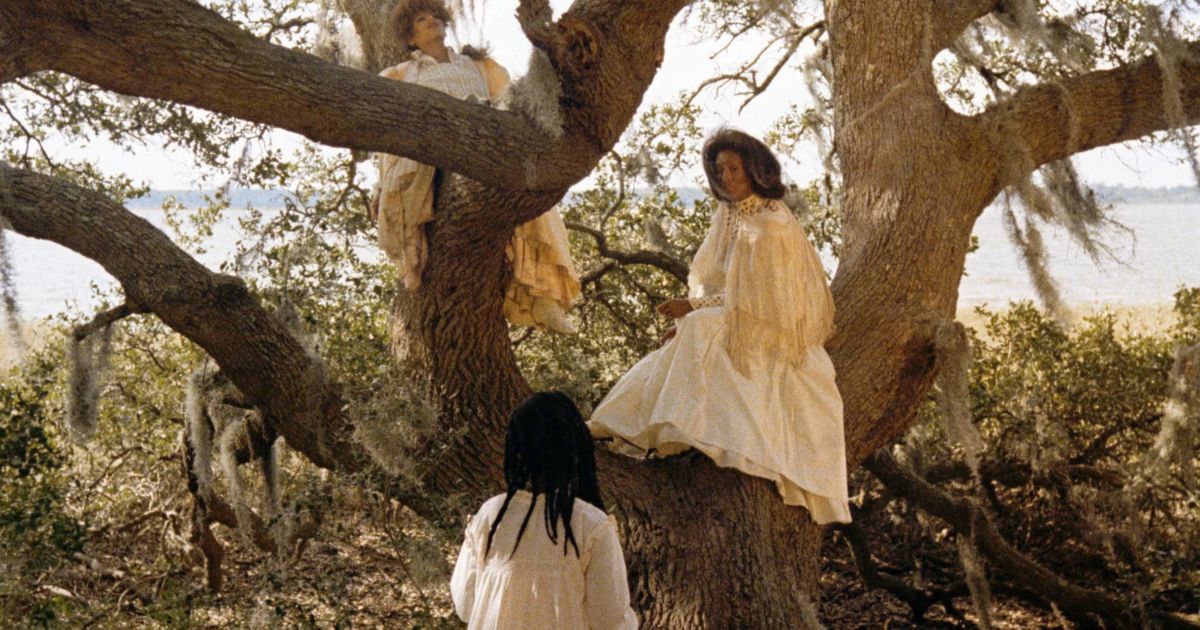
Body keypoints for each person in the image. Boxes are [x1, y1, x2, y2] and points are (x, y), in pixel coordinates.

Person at [587, 130, 851, 524]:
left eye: (734, 168)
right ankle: (627, 425)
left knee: (696, 329)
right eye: (720, 169)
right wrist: (691, 310)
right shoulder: (730, 213)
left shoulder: (771, 223)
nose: (726, 177)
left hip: (768, 323)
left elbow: (758, 298)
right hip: (735, 311)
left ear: (754, 169)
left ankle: (678, 428)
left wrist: (693, 308)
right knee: (686, 334)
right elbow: (717, 280)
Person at [371, 0, 579, 333]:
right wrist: (380, 187)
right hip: (434, 158)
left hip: (483, 150)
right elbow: (390, 139)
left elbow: (510, 110)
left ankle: (544, 297)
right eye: (422, 21)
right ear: (410, 38)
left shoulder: (479, 66)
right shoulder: (400, 75)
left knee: (532, 200)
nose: (432, 22)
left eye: (435, 17)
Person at [450, 391, 638, 630]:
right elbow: (610, 621)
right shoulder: (590, 525)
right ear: (575, 447)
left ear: (516, 449)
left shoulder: (490, 516)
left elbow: (465, 605)